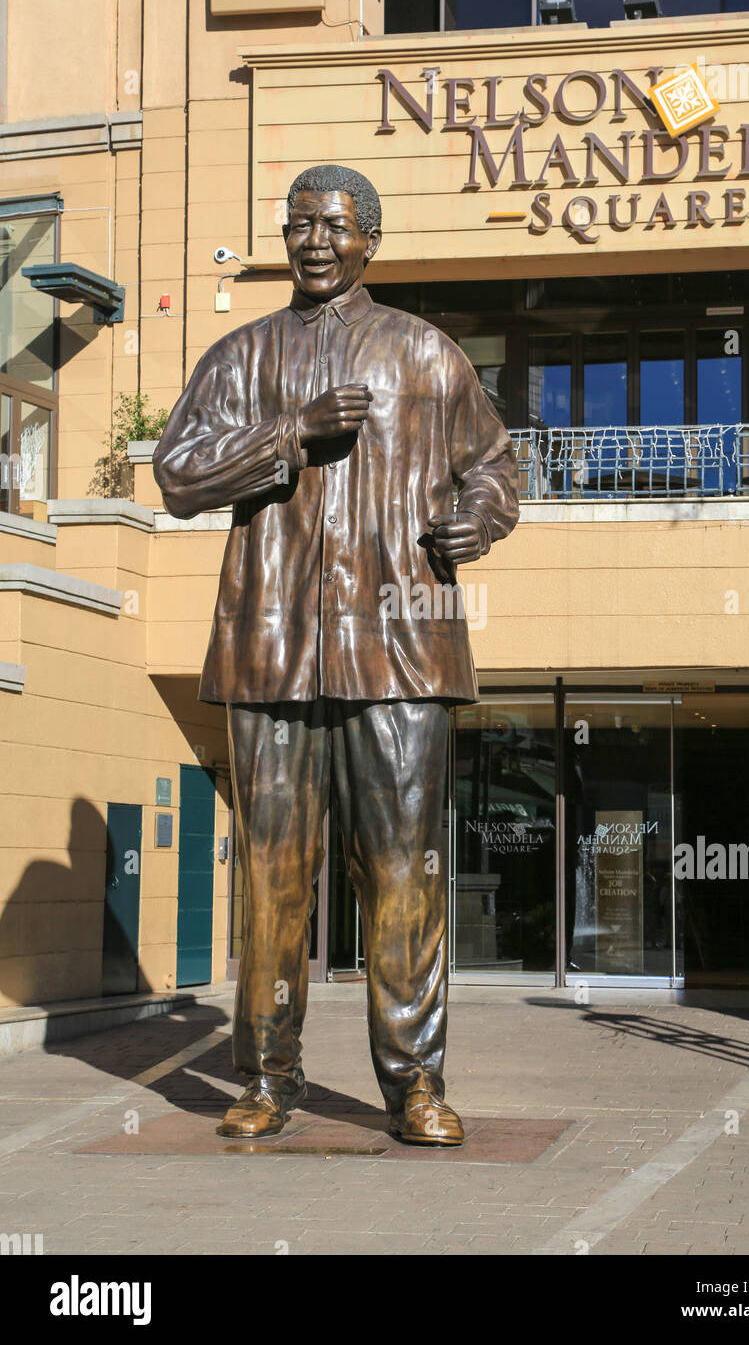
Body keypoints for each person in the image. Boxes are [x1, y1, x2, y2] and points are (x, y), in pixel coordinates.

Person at [153, 164, 520, 1144]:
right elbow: (179, 472)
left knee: (403, 872)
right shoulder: (242, 356)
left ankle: (412, 1084)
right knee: (272, 873)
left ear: (370, 240)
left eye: (334, 224)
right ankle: (269, 1077)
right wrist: (288, 434)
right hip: (271, 648)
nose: (314, 239)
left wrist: (471, 518)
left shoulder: (423, 353)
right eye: (298, 223)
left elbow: (495, 463)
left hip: (397, 648)